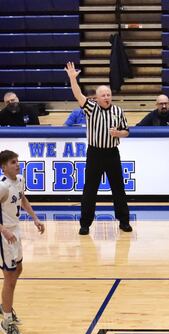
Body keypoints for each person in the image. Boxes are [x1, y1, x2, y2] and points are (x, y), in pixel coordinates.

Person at [64, 62, 133, 235]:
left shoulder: (118, 110)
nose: (107, 97)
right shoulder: (91, 108)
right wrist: (73, 79)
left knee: (118, 188)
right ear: (97, 97)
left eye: (108, 94)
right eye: (103, 95)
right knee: (90, 189)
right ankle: (85, 223)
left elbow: (127, 132)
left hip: (112, 153)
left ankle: (124, 221)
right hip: (95, 153)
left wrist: (119, 133)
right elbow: (78, 94)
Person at [0, 150, 45, 334]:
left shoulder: (19, 180)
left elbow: (23, 199)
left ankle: (5, 306)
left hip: (15, 230)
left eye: (17, 161)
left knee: (18, 269)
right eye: (12, 162)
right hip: (4, 234)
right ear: (3, 167)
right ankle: (7, 321)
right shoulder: (2, 187)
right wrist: (4, 230)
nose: (17, 165)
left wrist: (34, 218)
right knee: (9, 276)